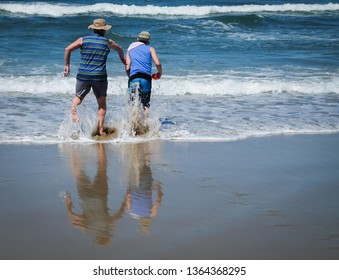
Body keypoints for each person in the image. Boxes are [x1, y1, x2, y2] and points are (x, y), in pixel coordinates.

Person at [64, 18, 125, 136]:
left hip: (83, 75)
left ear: (93, 29)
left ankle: (73, 111)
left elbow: (68, 49)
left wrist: (67, 65)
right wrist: (123, 60)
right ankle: (101, 130)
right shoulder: (108, 42)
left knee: (78, 96)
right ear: (104, 30)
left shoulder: (83, 40)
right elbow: (120, 49)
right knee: (101, 103)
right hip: (99, 76)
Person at [125, 31, 162, 121]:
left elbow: (127, 66)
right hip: (146, 78)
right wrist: (159, 73)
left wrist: (129, 76)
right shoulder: (150, 49)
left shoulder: (130, 49)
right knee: (145, 104)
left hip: (134, 78)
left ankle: (133, 123)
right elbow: (157, 63)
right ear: (148, 40)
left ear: (138, 39)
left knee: (133, 103)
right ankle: (145, 124)